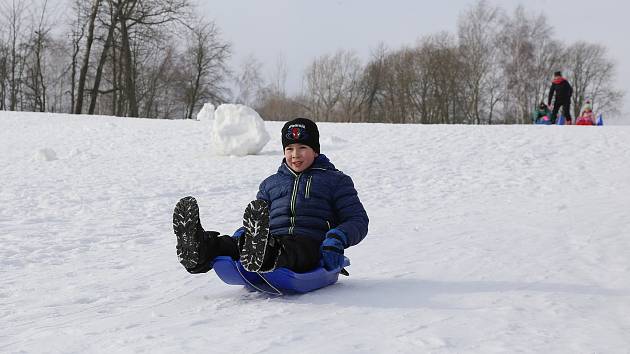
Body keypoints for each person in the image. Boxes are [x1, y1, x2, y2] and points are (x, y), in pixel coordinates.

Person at [172, 117, 369, 275]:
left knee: (290, 250)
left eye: (303, 148)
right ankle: (200, 249)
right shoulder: (271, 183)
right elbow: (258, 221)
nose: (295, 155)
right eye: (289, 149)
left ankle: (263, 253)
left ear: (315, 151)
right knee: (234, 243)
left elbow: (357, 220)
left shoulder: (335, 181)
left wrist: (336, 238)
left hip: (311, 244)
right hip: (268, 237)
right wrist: (243, 234)